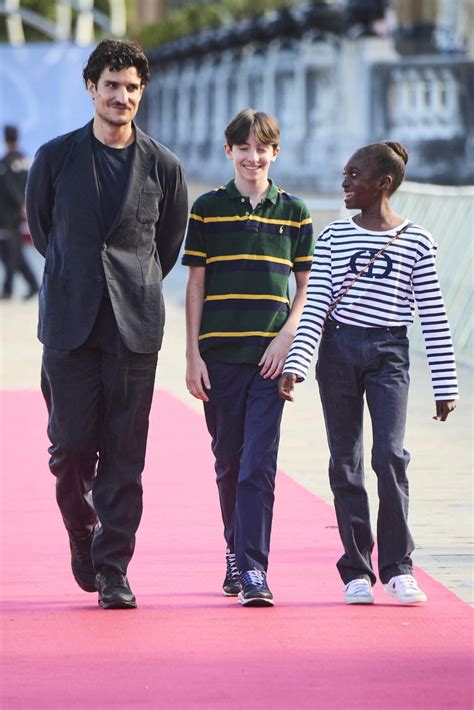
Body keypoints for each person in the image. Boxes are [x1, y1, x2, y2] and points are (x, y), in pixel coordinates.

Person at [25, 40, 188, 609]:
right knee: (69, 449)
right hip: (69, 325)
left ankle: (114, 568)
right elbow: (45, 233)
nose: (122, 97)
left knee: (125, 454)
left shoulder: (164, 166)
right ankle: (80, 526)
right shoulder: (54, 157)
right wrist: (81, 276)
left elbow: (166, 245)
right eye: (112, 85)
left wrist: (128, 284)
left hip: (134, 327)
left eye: (132, 88)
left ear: (142, 93)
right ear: (91, 88)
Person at [279, 141, 458, 605]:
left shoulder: (417, 240)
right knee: (345, 460)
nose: (344, 183)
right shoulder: (336, 236)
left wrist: (445, 383)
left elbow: (433, 315)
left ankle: (398, 567)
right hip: (337, 350)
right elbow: (316, 303)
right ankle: (356, 569)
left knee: (390, 456)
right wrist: (297, 364)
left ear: (384, 183)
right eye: (344, 174)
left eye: (354, 175)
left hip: (389, 353)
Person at [183, 109, 314, 606]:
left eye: (262, 149)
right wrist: (192, 354)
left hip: (270, 358)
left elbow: (305, 288)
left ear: (274, 153)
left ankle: (254, 568)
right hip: (218, 356)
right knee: (228, 460)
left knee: (259, 462)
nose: (252, 157)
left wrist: (288, 339)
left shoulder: (295, 212)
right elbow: (195, 286)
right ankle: (234, 552)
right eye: (243, 148)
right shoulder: (207, 209)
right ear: (229, 152)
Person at [0, 125, 39, 299]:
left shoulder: (5, 163)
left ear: (5, 138)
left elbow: (7, 188)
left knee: (10, 250)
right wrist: (27, 204)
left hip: (8, 214)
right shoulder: (27, 160)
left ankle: (8, 289)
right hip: (22, 211)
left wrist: (20, 204)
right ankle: (32, 285)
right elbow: (32, 183)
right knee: (15, 249)